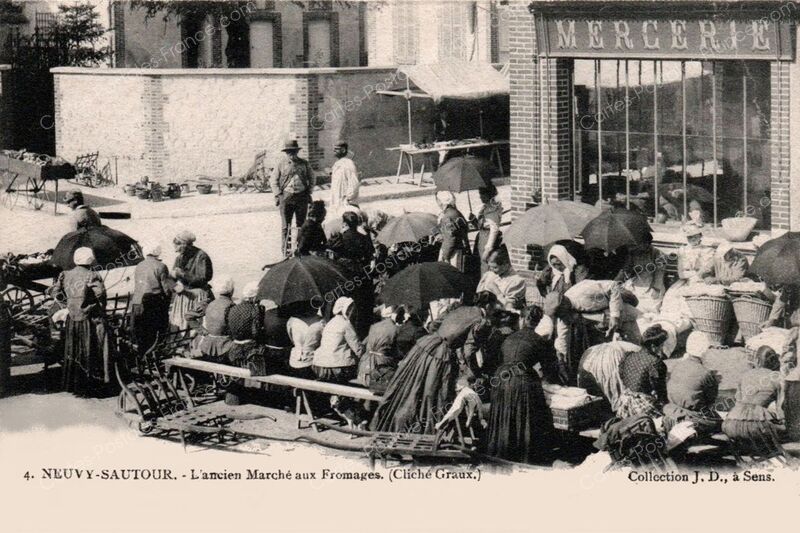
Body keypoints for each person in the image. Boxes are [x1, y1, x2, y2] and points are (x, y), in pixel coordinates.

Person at [370, 303, 491, 434]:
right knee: (432, 395)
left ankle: (394, 427)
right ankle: (424, 432)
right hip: (440, 354)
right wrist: (476, 372)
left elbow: (433, 325)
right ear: (488, 308)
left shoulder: (459, 309)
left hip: (426, 344)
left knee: (409, 389)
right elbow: (469, 351)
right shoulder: (480, 321)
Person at [485, 306, 559, 464]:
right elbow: (550, 369)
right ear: (537, 322)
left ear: (522, 319)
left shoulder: (508, 338)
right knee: (524, 416)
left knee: (504, 415)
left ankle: (502, 453)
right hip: (521, 381)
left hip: (501, 379)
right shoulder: (539, 340)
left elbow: (498, 359)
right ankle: (523, 456)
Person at [538, 280, 641, 384]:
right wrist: (561, 360)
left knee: (635, 348)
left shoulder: (583, 291)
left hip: (623, 316)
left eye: (562, 313)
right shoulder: (564, 315)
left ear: (564, 304)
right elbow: (562, 337)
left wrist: (615, 316)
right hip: (603, 328)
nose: (562, 318)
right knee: (611, 358)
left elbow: (613, 286)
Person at [50, 247, 113, 397]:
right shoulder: (92, 275)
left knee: (75, 350)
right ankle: (91, 385)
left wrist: (68, 304)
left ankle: (75, 385)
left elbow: (55, 292)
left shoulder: (65, 274)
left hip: (72, 319)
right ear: (90, 259)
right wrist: (98, 306)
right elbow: (101, 295)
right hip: (88, 319)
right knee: (91, 349)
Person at [722, 345, 785, 457]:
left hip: (730, 426)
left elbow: (738, 402)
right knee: (782, 429)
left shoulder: (745, 375)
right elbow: (781, 410)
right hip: (758, 428)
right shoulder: (777, 377)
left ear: (756, 360)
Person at [663, 331, 722, 440]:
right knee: (720, 423)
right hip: (692, 416)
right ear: (704, 351)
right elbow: (710, 401)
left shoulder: (677, 366)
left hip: (671, 411)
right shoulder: (705, 373)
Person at [270, 139, 316, 255]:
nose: (292, 154)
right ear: (286, 153)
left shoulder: (304, 163)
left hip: (302, 196)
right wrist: (278, 194)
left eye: (294, 151)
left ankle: (301, 249)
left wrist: (309, 191)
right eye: (289, 152)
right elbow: (273, 180)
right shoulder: (280, 164)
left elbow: (312, 177)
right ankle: (286, 250)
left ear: (297, 152)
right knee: (286, 225)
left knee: (301, 225)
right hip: (286, 197)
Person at [615, 324, 669, 419]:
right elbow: (661, 391)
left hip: (624, 401)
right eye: (661, 345)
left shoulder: (629, 356)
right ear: (653, 346)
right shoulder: (655, 363)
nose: (662, 348)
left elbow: (622, 376)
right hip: (641, 405)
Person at [129, 242, 172, 357]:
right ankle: (151, 356)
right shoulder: (161, 266)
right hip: (153, 302)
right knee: (154, 332)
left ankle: (140, 356)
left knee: (140, 332)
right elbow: (166, 289)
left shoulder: (139, 265)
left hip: (137, 303)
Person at [169, 231, 213, 331]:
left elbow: (204, 278)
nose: (176, 250)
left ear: (185, 244)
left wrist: (182, 274)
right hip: (183, 296)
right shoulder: (179, 257)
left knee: (195, 326)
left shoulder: (201, 256)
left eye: (178, 247)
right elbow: (171, 278)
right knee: (181, 326)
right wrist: (174, 286)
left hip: (197, 295)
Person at [313, 297, 364, 383]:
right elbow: (357, 348)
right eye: (350, 309)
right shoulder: (346, 324)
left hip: (321, 365)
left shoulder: (330, 323)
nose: (352, 312)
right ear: (344, 310)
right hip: (338, 367)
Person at [617, 238, 667, 317]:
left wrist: (656, 288)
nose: (639, 246)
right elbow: (626, 270)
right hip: (637, 282)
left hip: (652, 283)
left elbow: (660, 273)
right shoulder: (633, 253)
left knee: (651, 306)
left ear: (648, 243)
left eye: (643, 243)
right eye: (638, 243)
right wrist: (615, 282)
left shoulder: (657, 253)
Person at [357, 305, 401, 393]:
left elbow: (363, 344)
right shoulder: (395, 329)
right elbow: (397, 352)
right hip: (379, 375)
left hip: (364, 372)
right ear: (394, 315)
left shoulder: (374, 327)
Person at [190, 276, 235, 360]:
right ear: (232, 290)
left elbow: (189, 316)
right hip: (226, 347)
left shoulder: (209, 303)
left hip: (207, 346)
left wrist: (203, 331)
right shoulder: (232, 306)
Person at [476, 248, 526, 313]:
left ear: (506, 265)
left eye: (495, 267)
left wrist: (497, 292)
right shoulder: (489, 275)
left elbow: (509, 308)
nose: (491, 269)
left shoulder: (517, 281)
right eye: (490, 267)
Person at [469, 184, 504, 274]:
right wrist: (473, 220)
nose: (480, 197)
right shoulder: (485, 207)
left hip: (487, 239)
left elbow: (494, 229)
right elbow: (481, 226)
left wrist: (488, 248)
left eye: (482, 194)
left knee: (487, 265)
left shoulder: (492, 209)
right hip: (482, 238)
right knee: (482, 265)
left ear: (488, 194)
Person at [286, 303, 325, 379]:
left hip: (294, 358)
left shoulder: (292, 320)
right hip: (312, 359)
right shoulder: (321, 321)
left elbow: (291, 337)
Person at [436, 191, 470, 272]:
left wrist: (445, 255)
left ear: (441, 202)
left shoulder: (447, 217)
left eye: (438, 200)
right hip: (461, 247)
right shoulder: (456, 212)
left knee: (454, 274)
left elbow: (451, 238)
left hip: (453, 252)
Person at [329, 140, 359, 212]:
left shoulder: (349, 164)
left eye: (336, 149)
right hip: (336, 201)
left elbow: (354, 183)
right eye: (334, 148)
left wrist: (348, 198)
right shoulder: (337, 164)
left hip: (345, 202)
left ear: (343, 150)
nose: (334, 150)